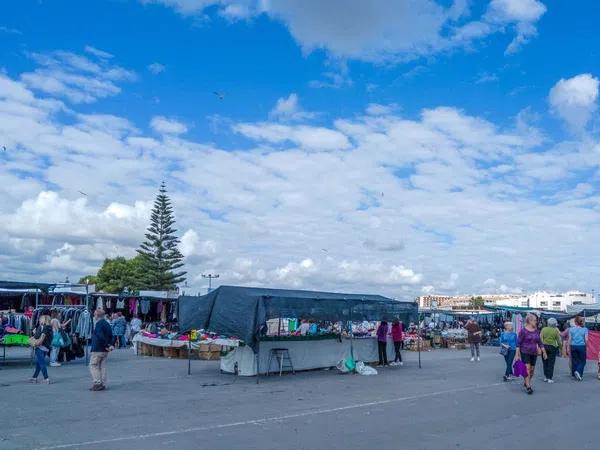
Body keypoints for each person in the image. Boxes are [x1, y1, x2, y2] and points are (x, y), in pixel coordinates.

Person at [515, 314, 546, 395]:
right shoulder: (523, 331)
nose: (536, 322)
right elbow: (518, 343)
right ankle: (528, 386)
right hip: (524, 352)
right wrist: (517, 355)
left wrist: (544, 351)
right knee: (527, 369)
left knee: (532, 371)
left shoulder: (536, 331)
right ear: (530, 321)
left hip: (534, 353)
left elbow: (540, 342)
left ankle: (527, 381)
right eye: (535, 320)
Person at [89, 309, 114, 391]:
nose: (94, 316)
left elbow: (99, 336)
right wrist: (109, 345)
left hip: (98, 348)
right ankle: (102, 383)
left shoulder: (99, 324)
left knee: (93, 365)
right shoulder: (107, 324)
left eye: (94, 315)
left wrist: (106, 344)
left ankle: (97, 383)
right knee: (102, 366)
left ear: (97, 315)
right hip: (105, 350)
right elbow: (111, 335)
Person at [29, 315, 52, 384]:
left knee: (41, 363)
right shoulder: (50, 327)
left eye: (40, 319)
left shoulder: (42, 327)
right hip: (46, 348)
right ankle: (34, 377)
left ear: (43, 320)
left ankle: (46, 378)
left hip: (40, 347)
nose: (39, 320)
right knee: (38, 363)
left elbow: (38, 336)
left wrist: (34, 333)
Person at [541, 318, 561, 383]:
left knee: (545, 362)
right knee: (551, 363)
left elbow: (540, 338)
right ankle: (549, 378)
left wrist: (541, 346)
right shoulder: (555, 330)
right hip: (552, 347)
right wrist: (561, 348)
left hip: (544, 347)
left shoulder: (543, 329)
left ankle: (545, 377)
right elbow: (558, 341)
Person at [568, 315, 589, 381]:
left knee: (574, 360)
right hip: (581, 346)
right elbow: (586, 339)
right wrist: (586, 346)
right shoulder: (585, 329)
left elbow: (570, 339)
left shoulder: (571, 329)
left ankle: (575, 375)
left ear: (575, 322)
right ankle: (578, 372)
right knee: (583, 361)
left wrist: (568, 347)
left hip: (573, 346)